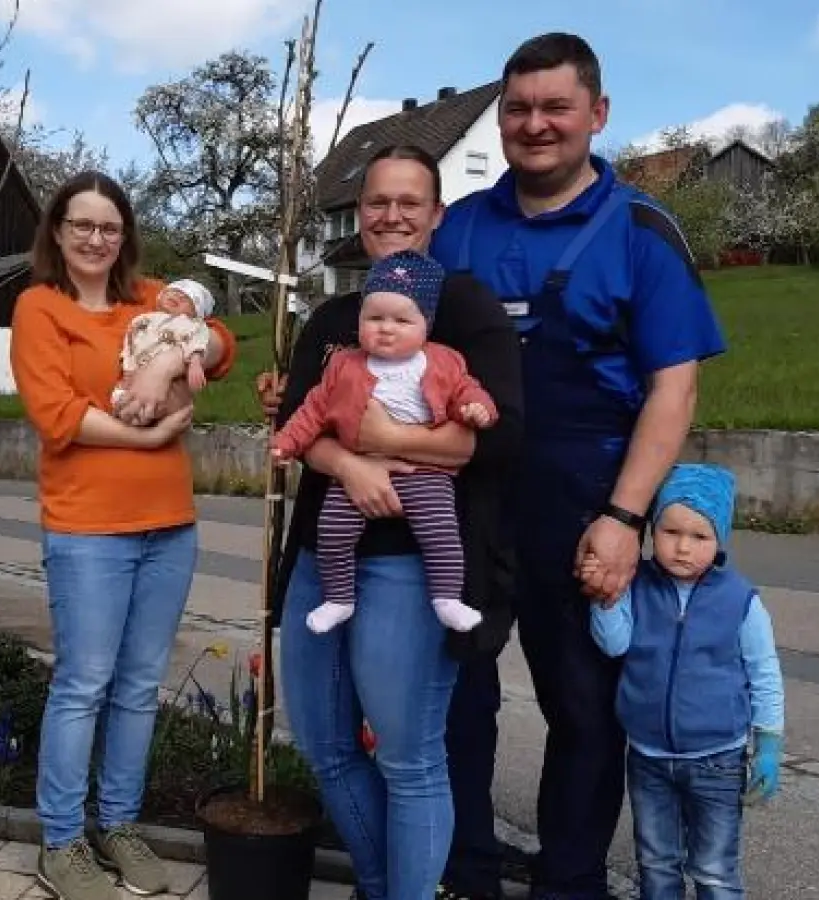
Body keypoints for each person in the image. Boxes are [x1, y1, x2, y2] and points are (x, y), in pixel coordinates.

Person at [429, 33, 727, 900]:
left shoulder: (640, 230)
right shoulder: (461, 227)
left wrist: (625, 518)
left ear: (597, 114)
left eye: (556, 107)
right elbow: (395, 349)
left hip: (587, 506)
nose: (535, 125)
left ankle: (570, 881)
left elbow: (674, 389)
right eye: (518, 109)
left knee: (586, 710)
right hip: (470, 504)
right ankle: (465, 873)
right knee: (457, 701)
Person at [257, 144, 523, 900]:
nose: (391, 215)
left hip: (414, 563)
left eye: (410, 202)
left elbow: (502, 434)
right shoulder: (332, 319)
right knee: (326, 745)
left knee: (409, 758)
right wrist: (350, 465)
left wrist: (390, 440)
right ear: (359, 213)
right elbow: (302, 425)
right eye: (377, 201)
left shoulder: (467, 308)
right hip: (323, 555)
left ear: (437, 214)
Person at [10, 171, 237, 900]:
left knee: (139, 687)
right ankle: (61, 842)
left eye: (109, 227)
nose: (96, 238)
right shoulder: (39, 308)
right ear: (57, 230)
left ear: (125, 236)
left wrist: (168, 359)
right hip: (88, 529)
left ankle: (118, 824)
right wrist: (148, 436)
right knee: (83, 685)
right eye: (82, 224)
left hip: (168, 527)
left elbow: (221, 339)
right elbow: (57, 414)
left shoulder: (151, 299)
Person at [270, 249, 497, 635]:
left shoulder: (444, 361)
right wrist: (286, 442)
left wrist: (478, 410)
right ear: (359, 320)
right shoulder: (344, 365)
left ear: (425, 325)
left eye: (401, 320)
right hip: (355, 470)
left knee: (441, 530)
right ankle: (338, 598)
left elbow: (467, 392)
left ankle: (447, 599)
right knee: (333, 530)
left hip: (424, 471)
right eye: (374, 318)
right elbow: (313, 410)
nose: (386, 328)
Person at [589, 463, 784, 899]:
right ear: (651, 530)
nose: (682, 548)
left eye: (699, 536)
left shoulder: (740, 601)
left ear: (720, 540)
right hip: (648, 757)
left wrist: (769, 743)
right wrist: (605, 596)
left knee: (714, 871)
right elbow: (614, 644)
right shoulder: (637, 585)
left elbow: (764, 673)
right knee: (656, 863)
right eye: (670, 531)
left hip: (717, 760)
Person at [110, 278, 216, 417]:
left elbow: (198, 341)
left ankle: (153, 416)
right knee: (121, 398)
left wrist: (195, 362)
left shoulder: (188, 324)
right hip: (136, 370)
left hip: (168, 382)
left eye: (187, 298)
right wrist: (127, 369)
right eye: (173, 291)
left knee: (169, 398)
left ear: (196, 313)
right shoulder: (141, 319)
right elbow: (130, 345)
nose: (178, 296)